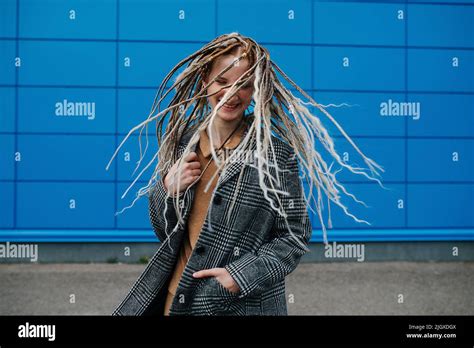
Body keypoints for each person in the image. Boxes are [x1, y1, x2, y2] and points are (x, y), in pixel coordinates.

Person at [107, 32, 385, 316]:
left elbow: (295, 236)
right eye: (222, 81)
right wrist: (167, 190)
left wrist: (238, 278)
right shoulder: (183, 143)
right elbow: (165, 231)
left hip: (239, 306)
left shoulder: (274, 154)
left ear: (255, 90)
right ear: (205, 80)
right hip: (175, 299)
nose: (231, 93)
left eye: (243, 84)